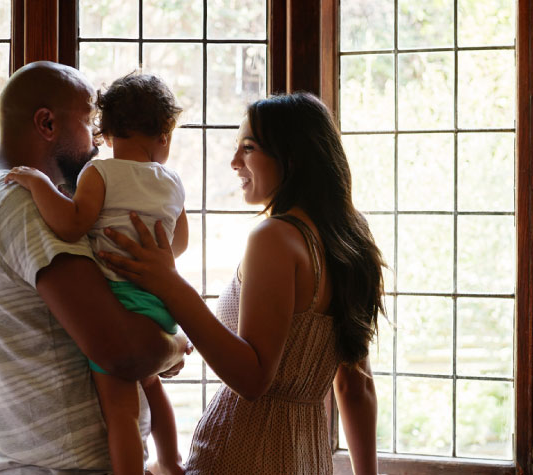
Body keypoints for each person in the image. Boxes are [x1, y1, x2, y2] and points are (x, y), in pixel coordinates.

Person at [97, 92, 383, 475]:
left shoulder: (275, 238)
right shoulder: (350, 242)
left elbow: (252, 379)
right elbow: (355, 387)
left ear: (291, 158)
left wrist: (169, 285)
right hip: (309, 462)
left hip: (240, 456)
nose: (234, 163)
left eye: (247, 148)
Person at [0, 61, 189, 475]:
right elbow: (122, 352)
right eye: (90, 120)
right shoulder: (24, 204)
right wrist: (174, 346)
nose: (98, 139)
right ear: (46, 124)